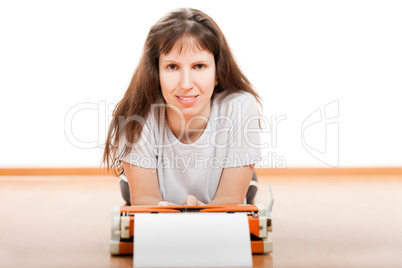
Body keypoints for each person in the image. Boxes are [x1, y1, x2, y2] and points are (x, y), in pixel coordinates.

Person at [103, 8, 262, 206]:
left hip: (221, 181)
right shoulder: (138, 111)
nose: (186, 84)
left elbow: (229, 201)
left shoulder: (240, 105)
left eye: (199, 66)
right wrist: (167, 213)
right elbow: (146, 200)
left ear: (218, 72)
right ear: (156, 73)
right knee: (129, 190)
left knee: (249, 189)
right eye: (172, 67)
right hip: (153, 181)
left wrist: (201, 213)